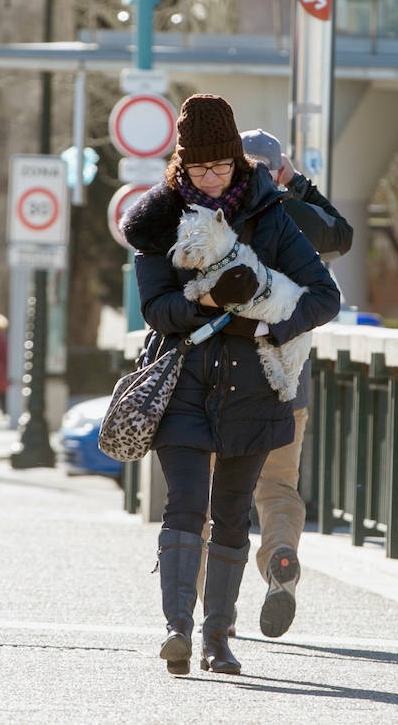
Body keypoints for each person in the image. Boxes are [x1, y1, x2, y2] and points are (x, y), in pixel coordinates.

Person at [121, 94, 340, 677]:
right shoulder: (159, 221)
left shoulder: (271, 214)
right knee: (184, 507)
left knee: (233, 512)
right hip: (183, 386)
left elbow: (325, 297)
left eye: (221, 167)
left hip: (254, 390)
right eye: (199, 169)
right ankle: (177, 632)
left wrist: (266, 322)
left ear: (239, 164)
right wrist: (212, 300)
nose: (212, 180)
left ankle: (219, 638)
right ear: (182, 166)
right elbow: (157, 309)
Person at [240, 128, 353, 639]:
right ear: (277, 168)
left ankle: (203, 611)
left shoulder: (222, 213)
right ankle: (280, 555)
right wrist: (300, 185)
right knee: (278, 486)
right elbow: (343, 233)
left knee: (203, 492)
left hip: (224, 375)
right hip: (288, 378)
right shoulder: (298, 218)